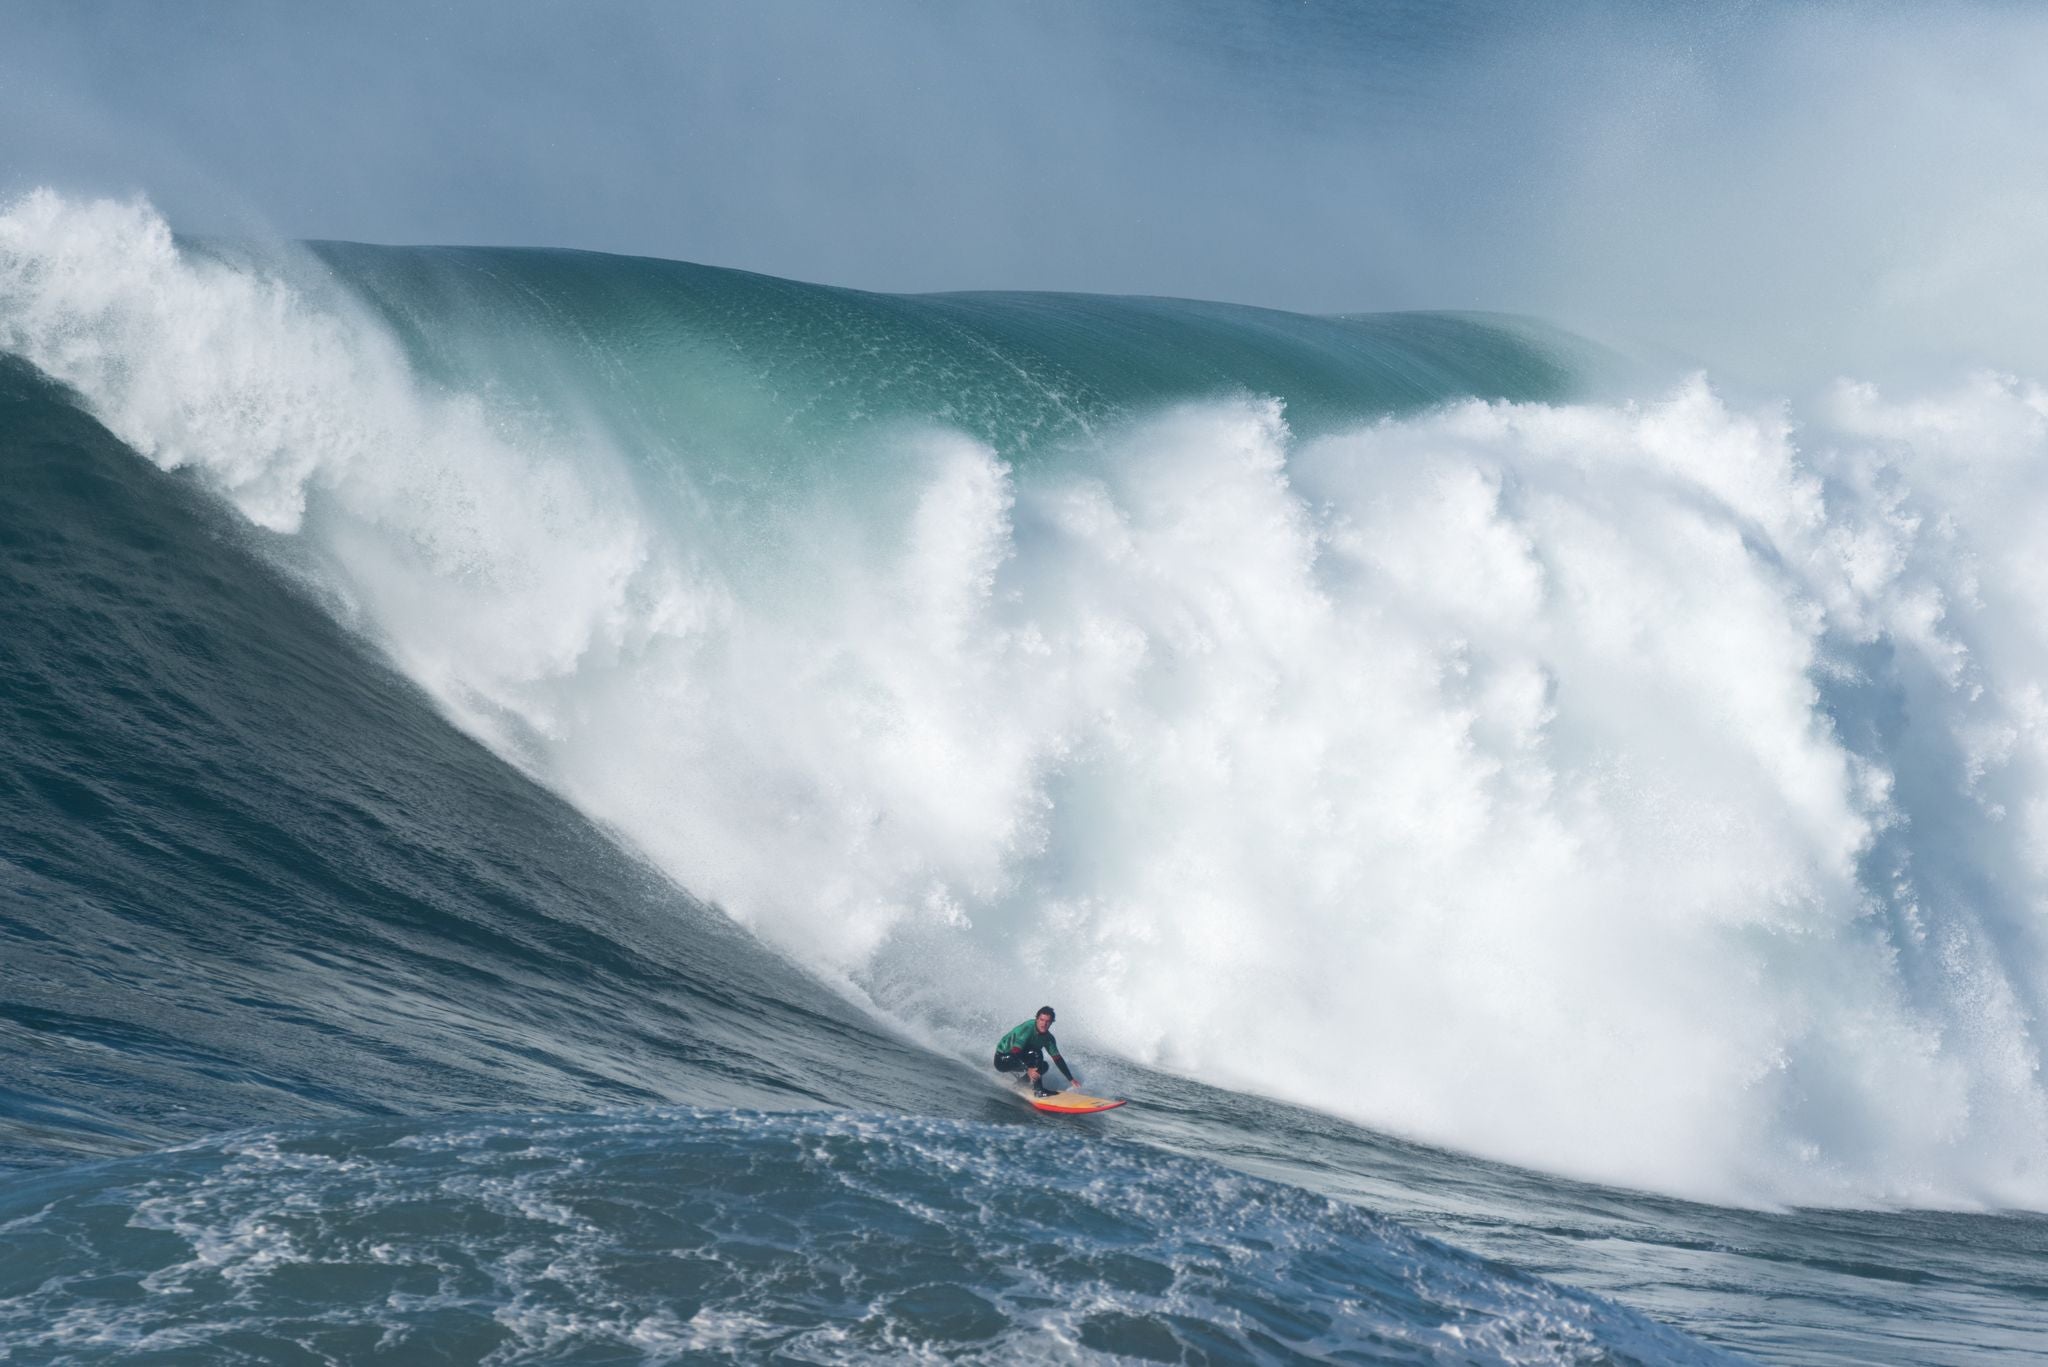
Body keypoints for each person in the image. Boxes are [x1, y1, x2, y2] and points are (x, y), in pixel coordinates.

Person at [994, 1005, 1079, 1096]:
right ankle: (1039, 1090)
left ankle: (1019, 1085)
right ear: (1037, 1019)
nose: (1044, 1024)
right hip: (1002, 1060)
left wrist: (1071, 1079)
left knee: (1043, 1066)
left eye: (1048, 1021)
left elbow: (1058, 1059)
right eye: (1042, 1020)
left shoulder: (1049, 1038)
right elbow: (1015, 1052)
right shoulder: (1028, 1028)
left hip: (1017, 1059)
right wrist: (1028, 1069)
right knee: (1037, 1053)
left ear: (1051, 1023)